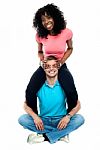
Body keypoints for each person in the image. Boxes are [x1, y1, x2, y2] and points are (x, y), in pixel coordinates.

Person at [26, 3, 78, 115]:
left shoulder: (66, 32)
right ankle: (37, 122)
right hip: (46, 65)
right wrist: (42, 60)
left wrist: (61, 61)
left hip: (60, 64)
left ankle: (67, 120)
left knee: (71, 90)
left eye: (49, 17)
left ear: (55, 17)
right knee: (30, 90)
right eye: (43, 20)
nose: (46, 22)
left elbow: (70, 48)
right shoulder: (40, 35)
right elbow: (40, 51)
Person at [18, 56, 85, 144]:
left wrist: (67, 117)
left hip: (61, 120)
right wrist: (35, 117)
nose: (51, 69)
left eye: (54, 66)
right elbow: (25, 105)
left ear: (58, 67)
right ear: (44, 69)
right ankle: (60, 134)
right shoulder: (39, 86)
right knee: (23, 119)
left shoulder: (64, 84)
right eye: (48, 66)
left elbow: (78, 104)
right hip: (43, 121)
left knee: (79, 119)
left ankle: (44, 136)